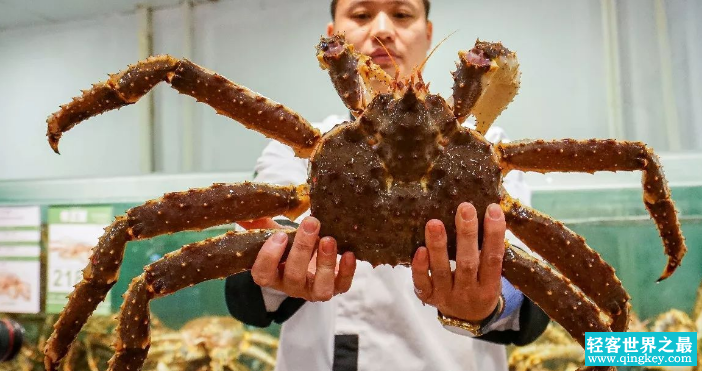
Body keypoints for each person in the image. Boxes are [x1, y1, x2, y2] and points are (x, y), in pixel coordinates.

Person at [225, 1, 549, 370]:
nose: (382, 29)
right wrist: (276, 259)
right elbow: (243, 294)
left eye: (402, 14)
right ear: (334, 36)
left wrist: (492, 303)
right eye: (361, 15)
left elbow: (534, 301)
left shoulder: (490, 154)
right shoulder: (296, 151)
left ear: (427, 33)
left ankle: (623, 353)